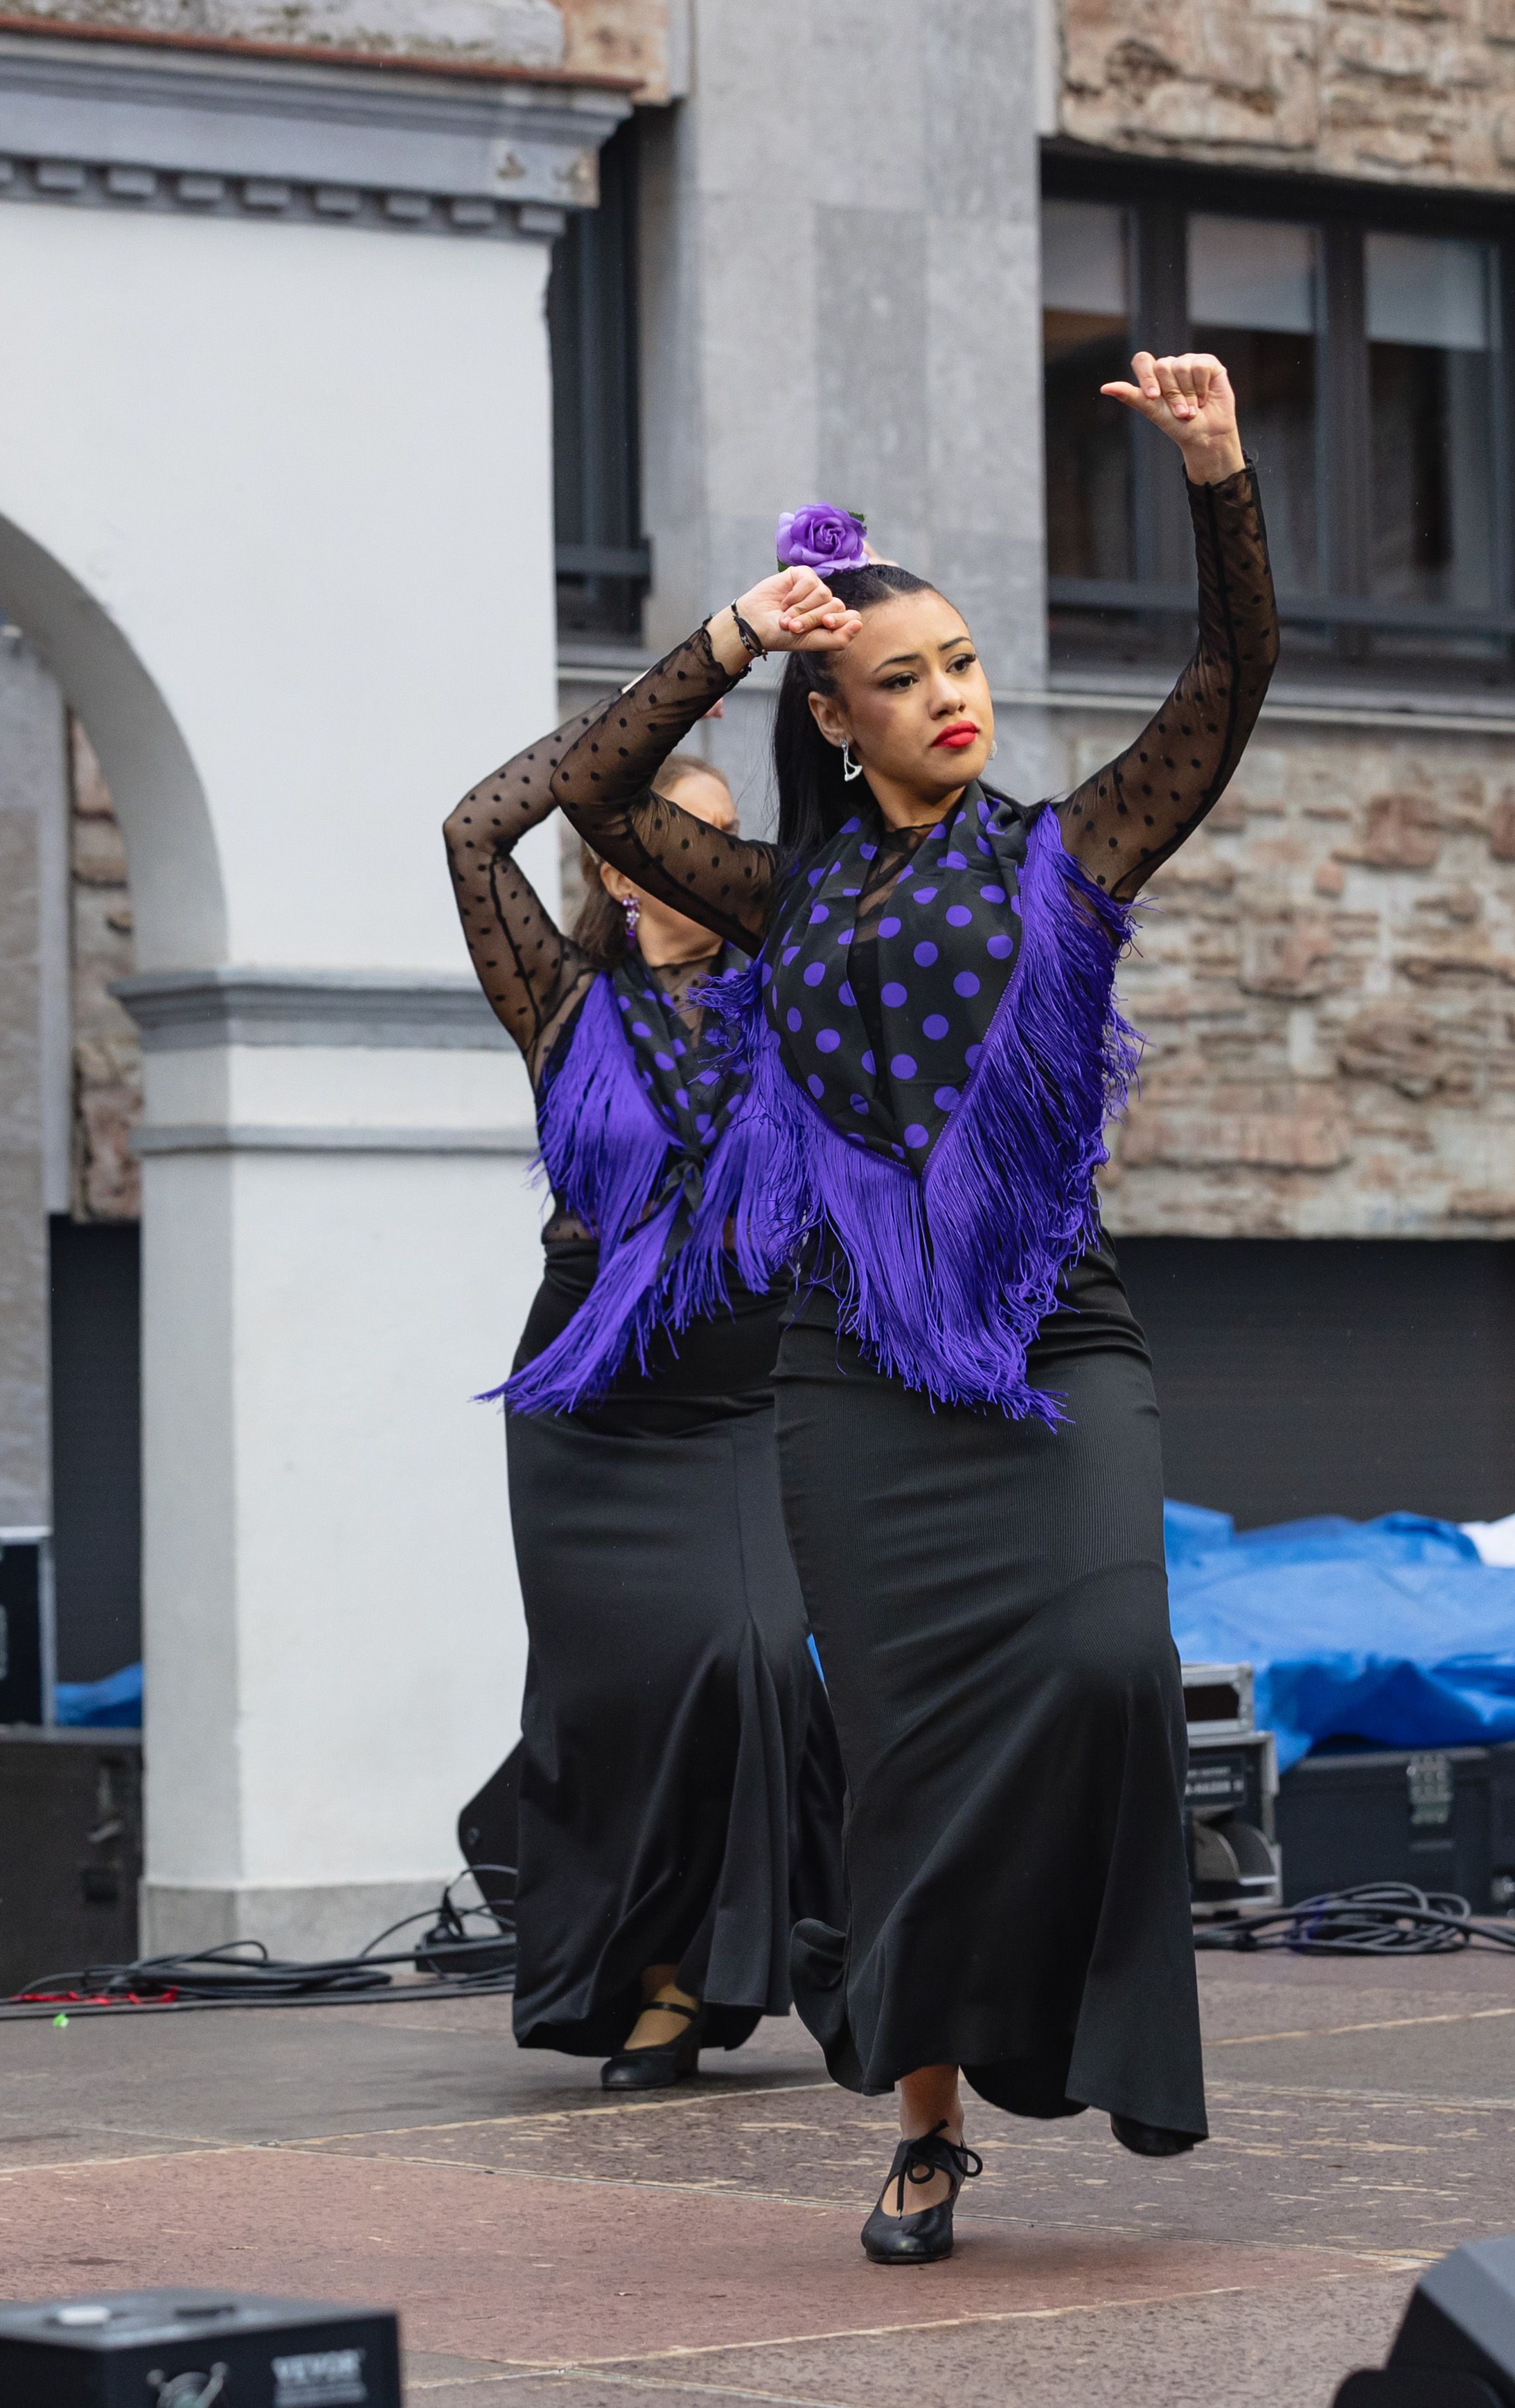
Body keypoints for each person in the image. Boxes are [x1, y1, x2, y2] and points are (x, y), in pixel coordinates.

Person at [554, 352, 1271, 2262]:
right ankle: (926, 2125)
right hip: (849, 1379)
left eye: (960, 663)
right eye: (904, 674)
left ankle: (1102, 2020)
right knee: (902, 1754)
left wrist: (1215, 478)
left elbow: (1221, 695)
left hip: (1051, 1332)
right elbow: (581, 787)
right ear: (834, 711)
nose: (950, 696)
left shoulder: (1068, 849)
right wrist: (723, 630)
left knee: (1108, 1664)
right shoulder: (777, 899)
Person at [441, 741, 840, 2092]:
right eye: (681, 834)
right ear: (619, 865)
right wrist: (712, 651)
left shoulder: (793, 1001)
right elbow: (472, 831)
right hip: (584, 1420)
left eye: (730, 836)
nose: (715, 860)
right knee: (613, 1706)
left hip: (734, 1405)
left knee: (758, 1658)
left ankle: (774, 1951)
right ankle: (650, 1976)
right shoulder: (561, 1000)